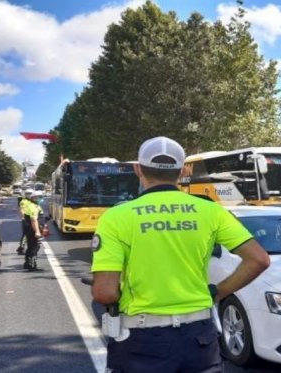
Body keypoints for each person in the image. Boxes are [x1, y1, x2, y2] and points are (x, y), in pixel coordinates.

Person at [91, 136, 270, 373]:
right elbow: (259, 259)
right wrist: (217, 292)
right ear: (183, 170)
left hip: (143, 341)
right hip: (200, 339)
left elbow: (104, 293)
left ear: (137, 169)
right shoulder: (211, 211)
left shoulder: (116, 217)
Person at [23, 190, 44, 270]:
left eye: (41, 197)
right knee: (34, 247)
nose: (41, 199)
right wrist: (37, 231)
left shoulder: (35, 205)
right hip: (32, 230)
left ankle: (27, 263)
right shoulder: (33, 206)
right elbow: (33, 220)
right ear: (34, 198)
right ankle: (32, 265)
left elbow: (38, 218)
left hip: (30, 229)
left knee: (30, 246)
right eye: (39, 197)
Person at [17, 189, 34, 255]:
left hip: (32, 219)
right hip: (26, 220)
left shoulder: (32, 201)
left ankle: (23, 247)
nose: (29, 195)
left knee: (29, 234)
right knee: (26, 234)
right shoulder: (23, 201)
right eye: (28, 193)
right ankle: (21, 248)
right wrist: (25, 218)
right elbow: (21, 210)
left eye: (30, 193)